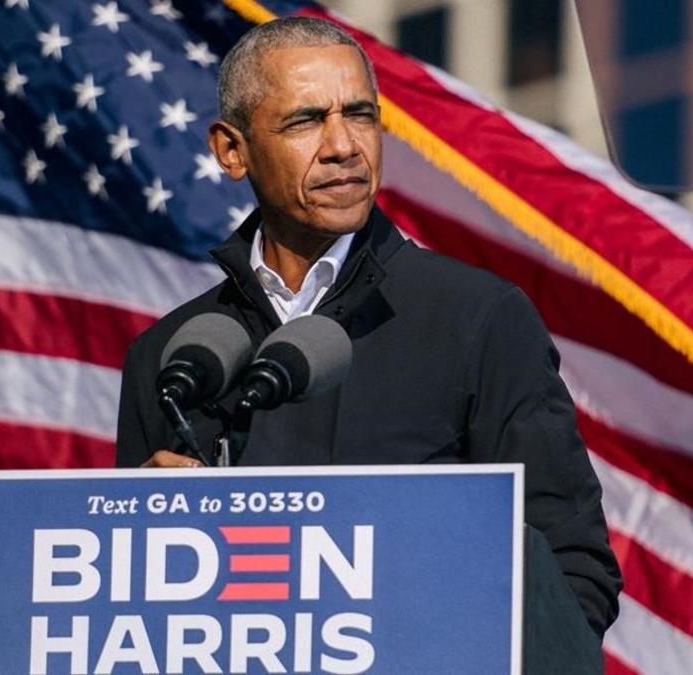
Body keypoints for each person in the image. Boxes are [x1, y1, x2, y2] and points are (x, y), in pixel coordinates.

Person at [116, 16, 621, 642]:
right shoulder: (170, 357)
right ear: (231, 150)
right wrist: (142, 540)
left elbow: (573, 566)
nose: (343, 146)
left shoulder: (478, 316)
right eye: (305, 120)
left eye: (360, 114)